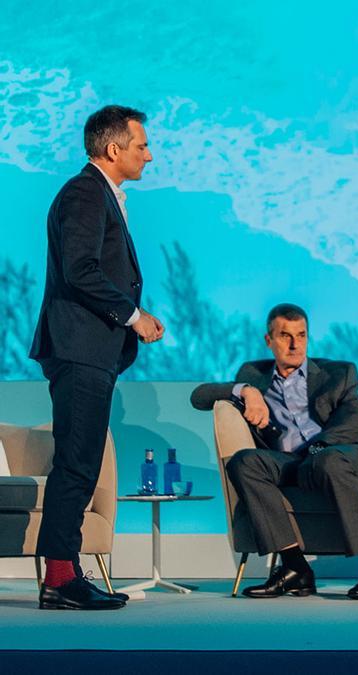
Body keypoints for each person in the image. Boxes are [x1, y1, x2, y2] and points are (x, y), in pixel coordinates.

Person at [29, 105, 165, 611]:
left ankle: (64, 576)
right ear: (113, 149)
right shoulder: (85, 193)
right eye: (141, 146)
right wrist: (133, 316)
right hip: (79, 348)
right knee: (77, 463)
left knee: (81, 462)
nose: (149, 155)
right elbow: (81, 269)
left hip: (88, 350)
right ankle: (61, 581)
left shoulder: (98, 194)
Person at [190, 303, 358, 600]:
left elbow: (353, 420)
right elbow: (199, 397)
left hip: (344, 454)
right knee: (244, 462)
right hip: (292, 461)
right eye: (285, 336)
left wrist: (319, 448)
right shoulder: (253, 374)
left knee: (328, 461)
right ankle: (295, 568)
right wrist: (246, 391)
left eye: (301, 335)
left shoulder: (339, 373)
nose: (295, 344)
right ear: (269, 340)